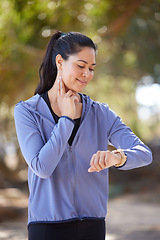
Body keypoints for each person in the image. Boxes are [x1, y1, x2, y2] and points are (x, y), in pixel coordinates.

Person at [14, 31, 152, 240]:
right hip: (47, 227)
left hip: (92, 226)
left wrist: (117, 157)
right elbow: (41, 167)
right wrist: (67, 120)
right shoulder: (27, 111)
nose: (87, 74)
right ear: (60, 62)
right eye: (80, 66)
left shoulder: (100, 113)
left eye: (91, 68)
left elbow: (144, 153)